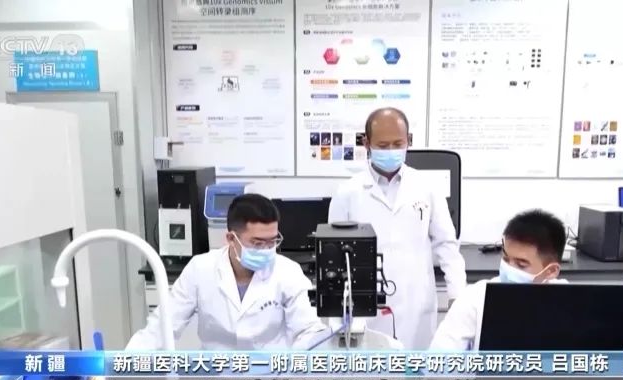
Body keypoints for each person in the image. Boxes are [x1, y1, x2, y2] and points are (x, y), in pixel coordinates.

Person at [328, 107, 466, 350]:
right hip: (366, 309)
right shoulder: (347, 193)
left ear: (408, 141)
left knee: (416, 370)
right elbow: (333, 256)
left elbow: (446, 245)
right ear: (367, 143)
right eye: (383, 145)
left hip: (416, 305)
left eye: (398, 143)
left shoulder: (427, 187)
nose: (391, 151)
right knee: (371, 369)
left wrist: (458, 295)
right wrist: (337, 314)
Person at [127, 193, 329, 350]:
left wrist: (299, 357)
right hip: (216, 376)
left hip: (270, 377)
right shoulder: (200, 269)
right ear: (231, 239)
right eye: (258, 243)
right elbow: (162, 327)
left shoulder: (287, 272)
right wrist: (124, 364)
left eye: (272, 241)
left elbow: (308, 330)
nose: (267, 250)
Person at [429, 209, 568, 350]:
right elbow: (439, 358)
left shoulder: (568, 302)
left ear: (551, 271)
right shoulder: (474, 298)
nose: (509, 268)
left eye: (521, 264)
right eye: (506, 259)